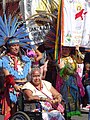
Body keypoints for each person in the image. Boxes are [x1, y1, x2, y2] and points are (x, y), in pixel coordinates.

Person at [0, 15, 32, 120]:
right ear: (9, 47)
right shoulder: (4, 59)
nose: (16, 47)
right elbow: (7, 75)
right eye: (13, 46)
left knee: (28, 109)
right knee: (13, 110)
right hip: (13, 88)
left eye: (17, 45)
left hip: (25, 86)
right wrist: (14, 85)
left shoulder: (24, 59)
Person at [58, 46, 85, 120]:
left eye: (67, 49)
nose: (65, 51)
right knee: (65, 98)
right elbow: (61, 69)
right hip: (64, 82)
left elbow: (80, 61)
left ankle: (69, 116)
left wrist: (77, 50)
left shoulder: (73, 58)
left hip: (73, 82)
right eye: (63, 49)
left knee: (73, 98)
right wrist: (72, 73)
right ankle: (64, 115)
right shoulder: (59, 59)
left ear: (70, 50)